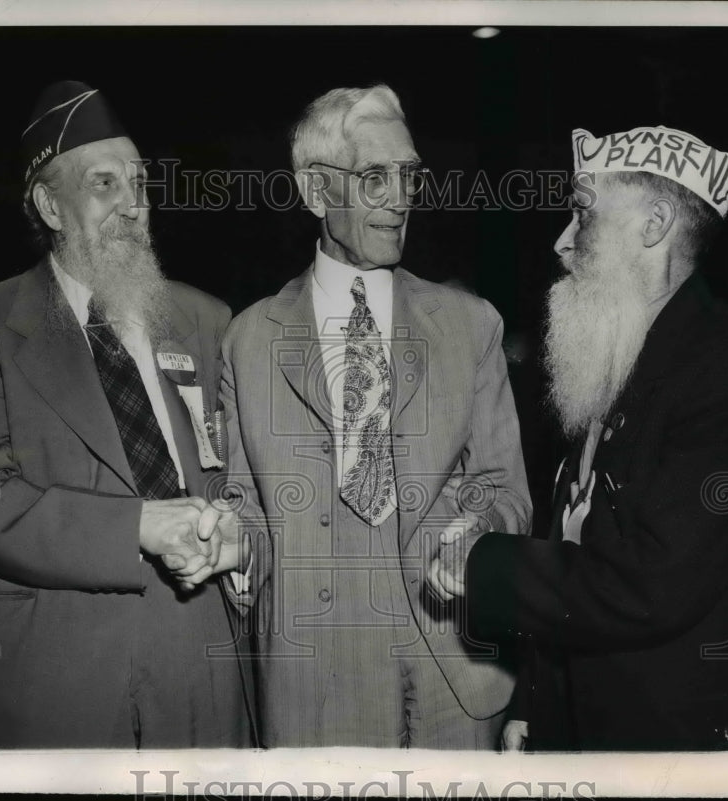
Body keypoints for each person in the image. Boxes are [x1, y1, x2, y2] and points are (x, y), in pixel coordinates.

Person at [428, 125, 728, 751]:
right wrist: (534, 701)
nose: (562, 240)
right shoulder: (623, 353)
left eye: (583, 213)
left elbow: (648, 584)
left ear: (655, 225)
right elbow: (575, 536)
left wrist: (483, 563)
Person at [190, 84, 533, 749]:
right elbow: (246, 506)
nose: (401, 198)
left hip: (454, 675)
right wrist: (235, 547)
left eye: (409, 175)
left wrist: (477, 529)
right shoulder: (248, 339)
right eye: (375, 176)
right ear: (316, 191)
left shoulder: (471, 325)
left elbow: (505, 489)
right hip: (314, 684)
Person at [0, 80, 252, 748]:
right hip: (58, 675)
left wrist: (242, 538)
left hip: (201, 661)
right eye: (105, 184)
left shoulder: (206, 319)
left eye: (140, 182)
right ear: (51, 205)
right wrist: (137, 524)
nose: (134, 204)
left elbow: (245, 476)